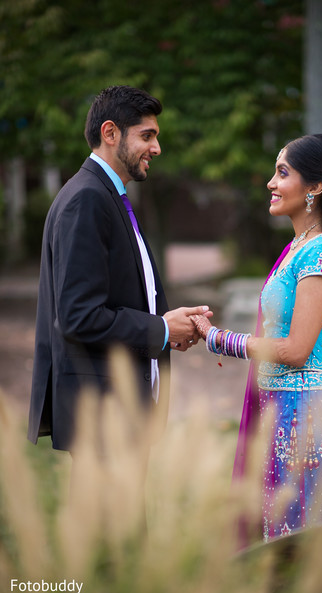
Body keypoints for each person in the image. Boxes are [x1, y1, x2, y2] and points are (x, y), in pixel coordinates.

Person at [192, 134, 322, 543]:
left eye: (282, 172)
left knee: (303, 543)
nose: (271, 184)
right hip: (284, 409)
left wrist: (219, 338)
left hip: (307, 415)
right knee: (280, 543)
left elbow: (296, 350)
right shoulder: (298, 248)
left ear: (316, 186)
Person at [28, 85, 212, 452]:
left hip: (120, 412)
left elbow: (120, 295)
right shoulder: (87, 199)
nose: (156, 149)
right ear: (110, 133)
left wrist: (169, 327)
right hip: (101, 415)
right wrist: (160, 328)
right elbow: (79, 316)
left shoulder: (109, 196)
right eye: (147, 136)